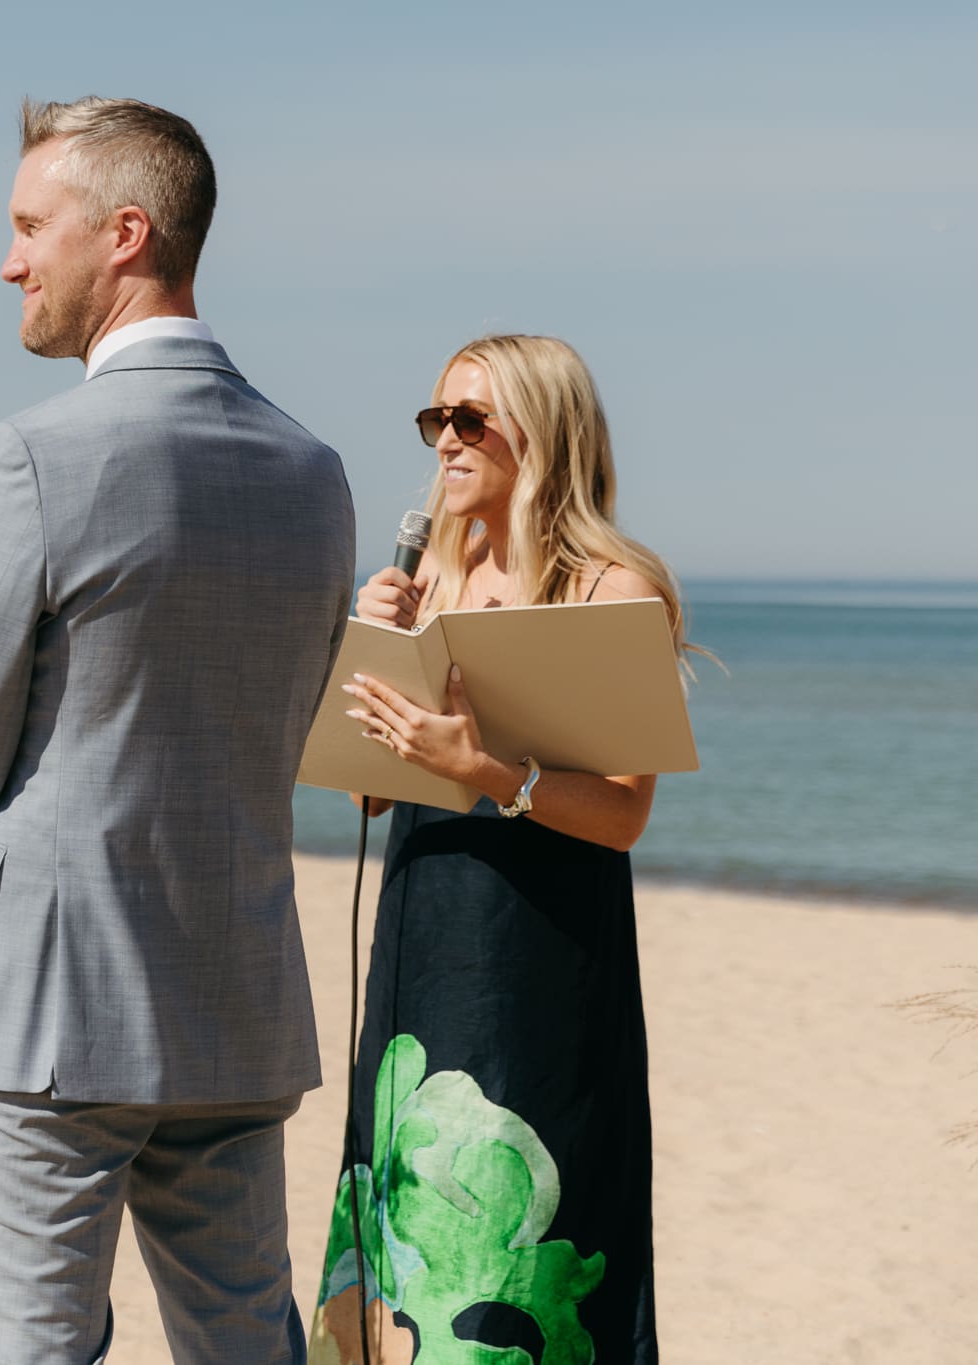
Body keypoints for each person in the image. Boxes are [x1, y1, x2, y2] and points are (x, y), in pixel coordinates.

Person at [0, 96, 357, 1365]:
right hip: (233, 1003)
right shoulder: (312, 472)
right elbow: (290, 716)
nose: (8, 261)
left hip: (44, 1013)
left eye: (26, 226)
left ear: (121, 233)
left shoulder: (33, 456)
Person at [311, 334, 689, 1365]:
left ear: (542, 431)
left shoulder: (608, 591)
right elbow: (361, 792)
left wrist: (483, 770)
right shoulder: (425, 577)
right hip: (419, 946)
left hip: (541, 967)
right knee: (402, 1253)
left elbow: (620, 817)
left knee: (517, 1265)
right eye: (434, 420)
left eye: (468, 420)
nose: (443, 442)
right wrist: (370, 637)